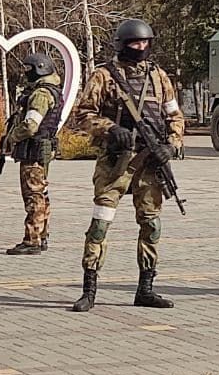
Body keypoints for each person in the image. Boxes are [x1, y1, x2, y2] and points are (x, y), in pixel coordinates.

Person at [70, 19, 185, 313]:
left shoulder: (159, 77)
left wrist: (170, 145)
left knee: (151, 223)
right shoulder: (104, 76)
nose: (142, 48)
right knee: (101, 222)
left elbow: (174, 116)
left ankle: (146, 288)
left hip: (150, 162)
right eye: (136, 44)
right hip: (116, 161)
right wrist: (109, 129)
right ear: (122, 45)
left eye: (146, 43)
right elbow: (82, 115)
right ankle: (89, 289)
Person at [1, 53, 63, 256]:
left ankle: (32, 240)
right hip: (42, 149)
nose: (26, 74)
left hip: (33, 150)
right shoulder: (51, 90)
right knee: (41, 194)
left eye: (29, 70)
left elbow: (30, 126)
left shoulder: (40, 94)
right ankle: (42, 235)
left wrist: (11, 137)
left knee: (33, 196)